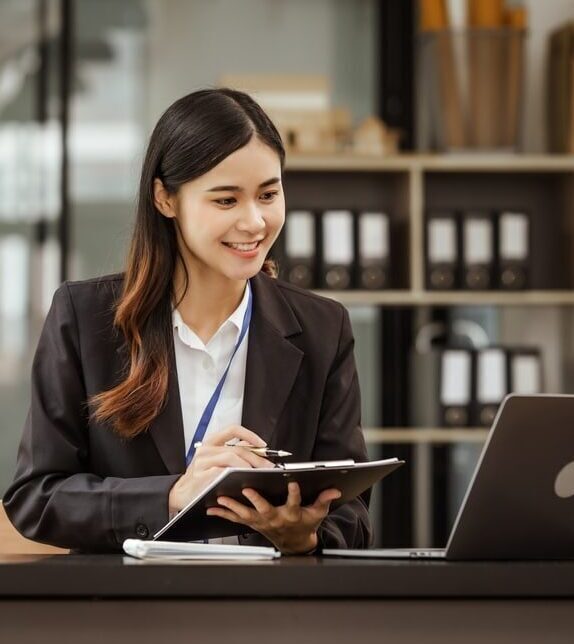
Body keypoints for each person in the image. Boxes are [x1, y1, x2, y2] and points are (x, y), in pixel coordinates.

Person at [3, 88, 372, 554]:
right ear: (165, 199)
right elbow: (35, 499)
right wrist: (174, 494)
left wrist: (305, 535)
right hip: (130, 614)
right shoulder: (85, 318)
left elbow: (353, 514)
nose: (255, 221)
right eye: (226, 201)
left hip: (269, 614)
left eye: (268, 194)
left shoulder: (323, 328)